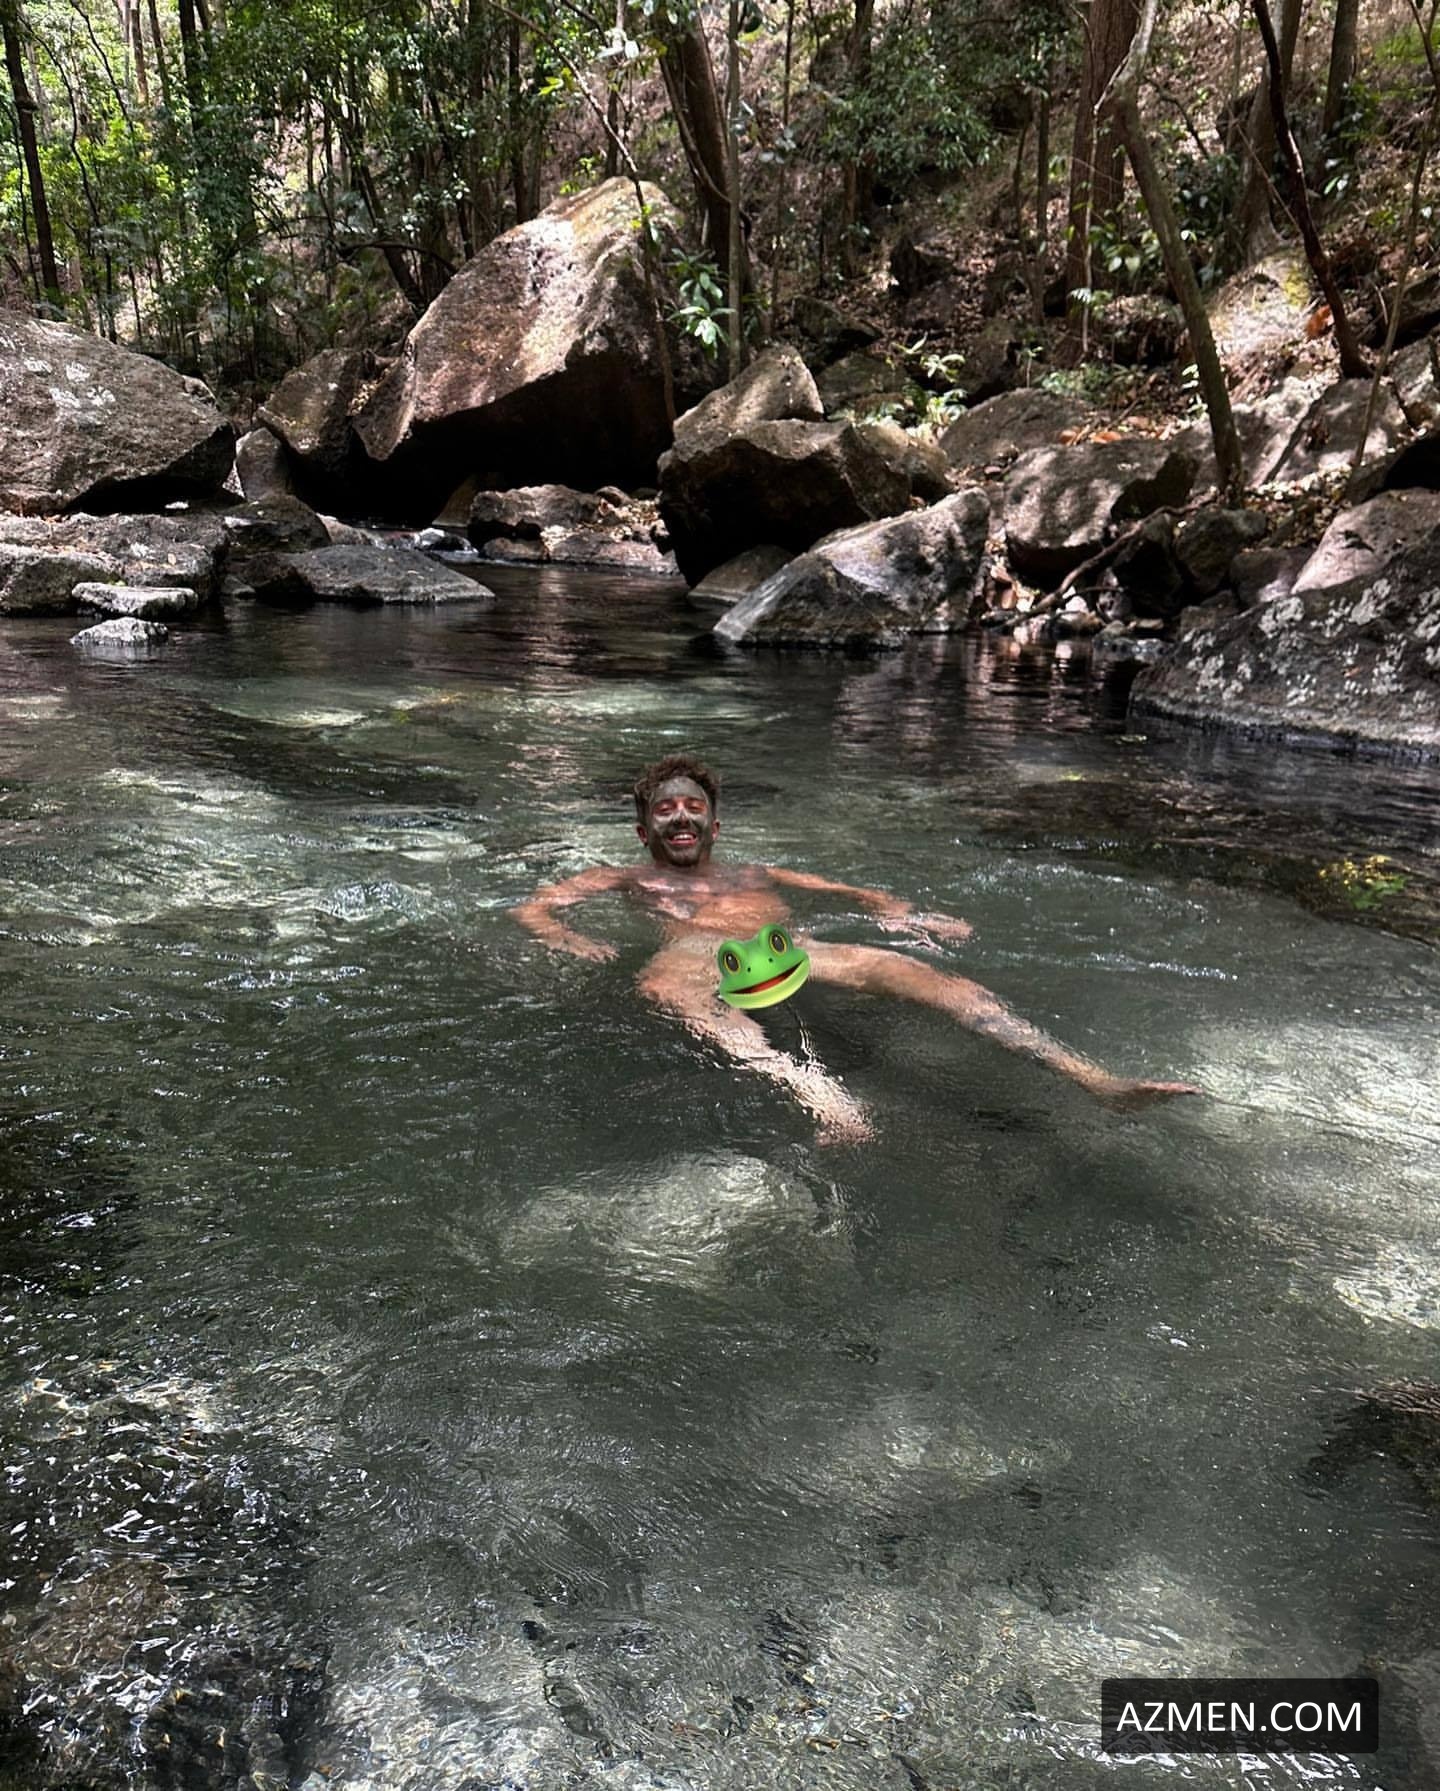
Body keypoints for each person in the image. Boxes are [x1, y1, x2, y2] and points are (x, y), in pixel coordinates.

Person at [512, 752, 1201, 1144]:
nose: (681, 815)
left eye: (693, 807)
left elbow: (856, 893)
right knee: (662, 986)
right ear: (644, 832)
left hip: (790, 947)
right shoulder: (625, 877)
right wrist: (564, 935)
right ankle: (826, 1100)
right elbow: (534, 906)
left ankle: (1093, 1079)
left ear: (716, 826)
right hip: (696, 954)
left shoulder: (755, 873)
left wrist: (907, 915)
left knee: (909, 969)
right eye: (665, 809)